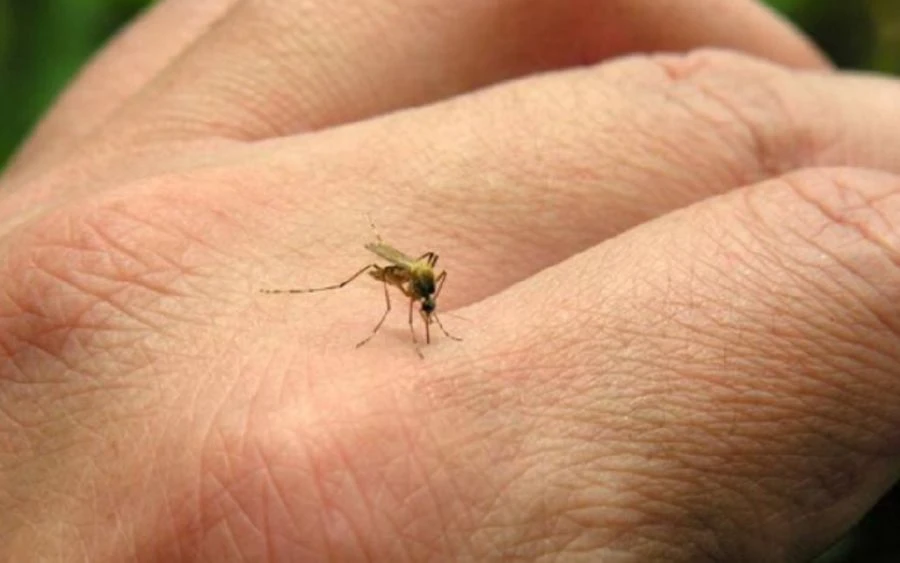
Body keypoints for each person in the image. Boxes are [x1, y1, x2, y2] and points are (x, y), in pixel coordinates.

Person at [1, 1, 898, 560]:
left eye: (424, 296)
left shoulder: (427, 285)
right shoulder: (397, 277)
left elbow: (428, 280)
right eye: (425, 295)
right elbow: (396, 268)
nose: (423, 298)